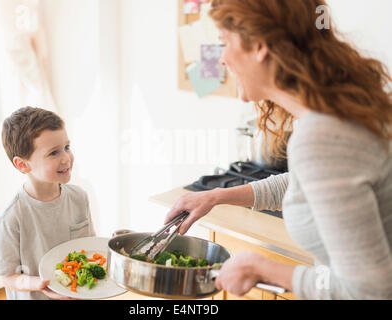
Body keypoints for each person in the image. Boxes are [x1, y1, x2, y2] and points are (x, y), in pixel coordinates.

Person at [165, 0, 392, 299]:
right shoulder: (338, 112)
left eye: (224, 42)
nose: (221, 59)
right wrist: (217, 196)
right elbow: (303, 184)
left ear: (260, 45)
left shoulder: (323, 136)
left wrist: (261, 268)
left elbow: (370, 291)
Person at [0, 106, 96, 300]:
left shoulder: (79, 197)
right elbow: (8, 277)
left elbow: (89, 246)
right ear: (22, 164)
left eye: (67, 147)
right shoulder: (11, 217)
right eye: (53, 153)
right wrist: (39, 284)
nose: (66, 158)